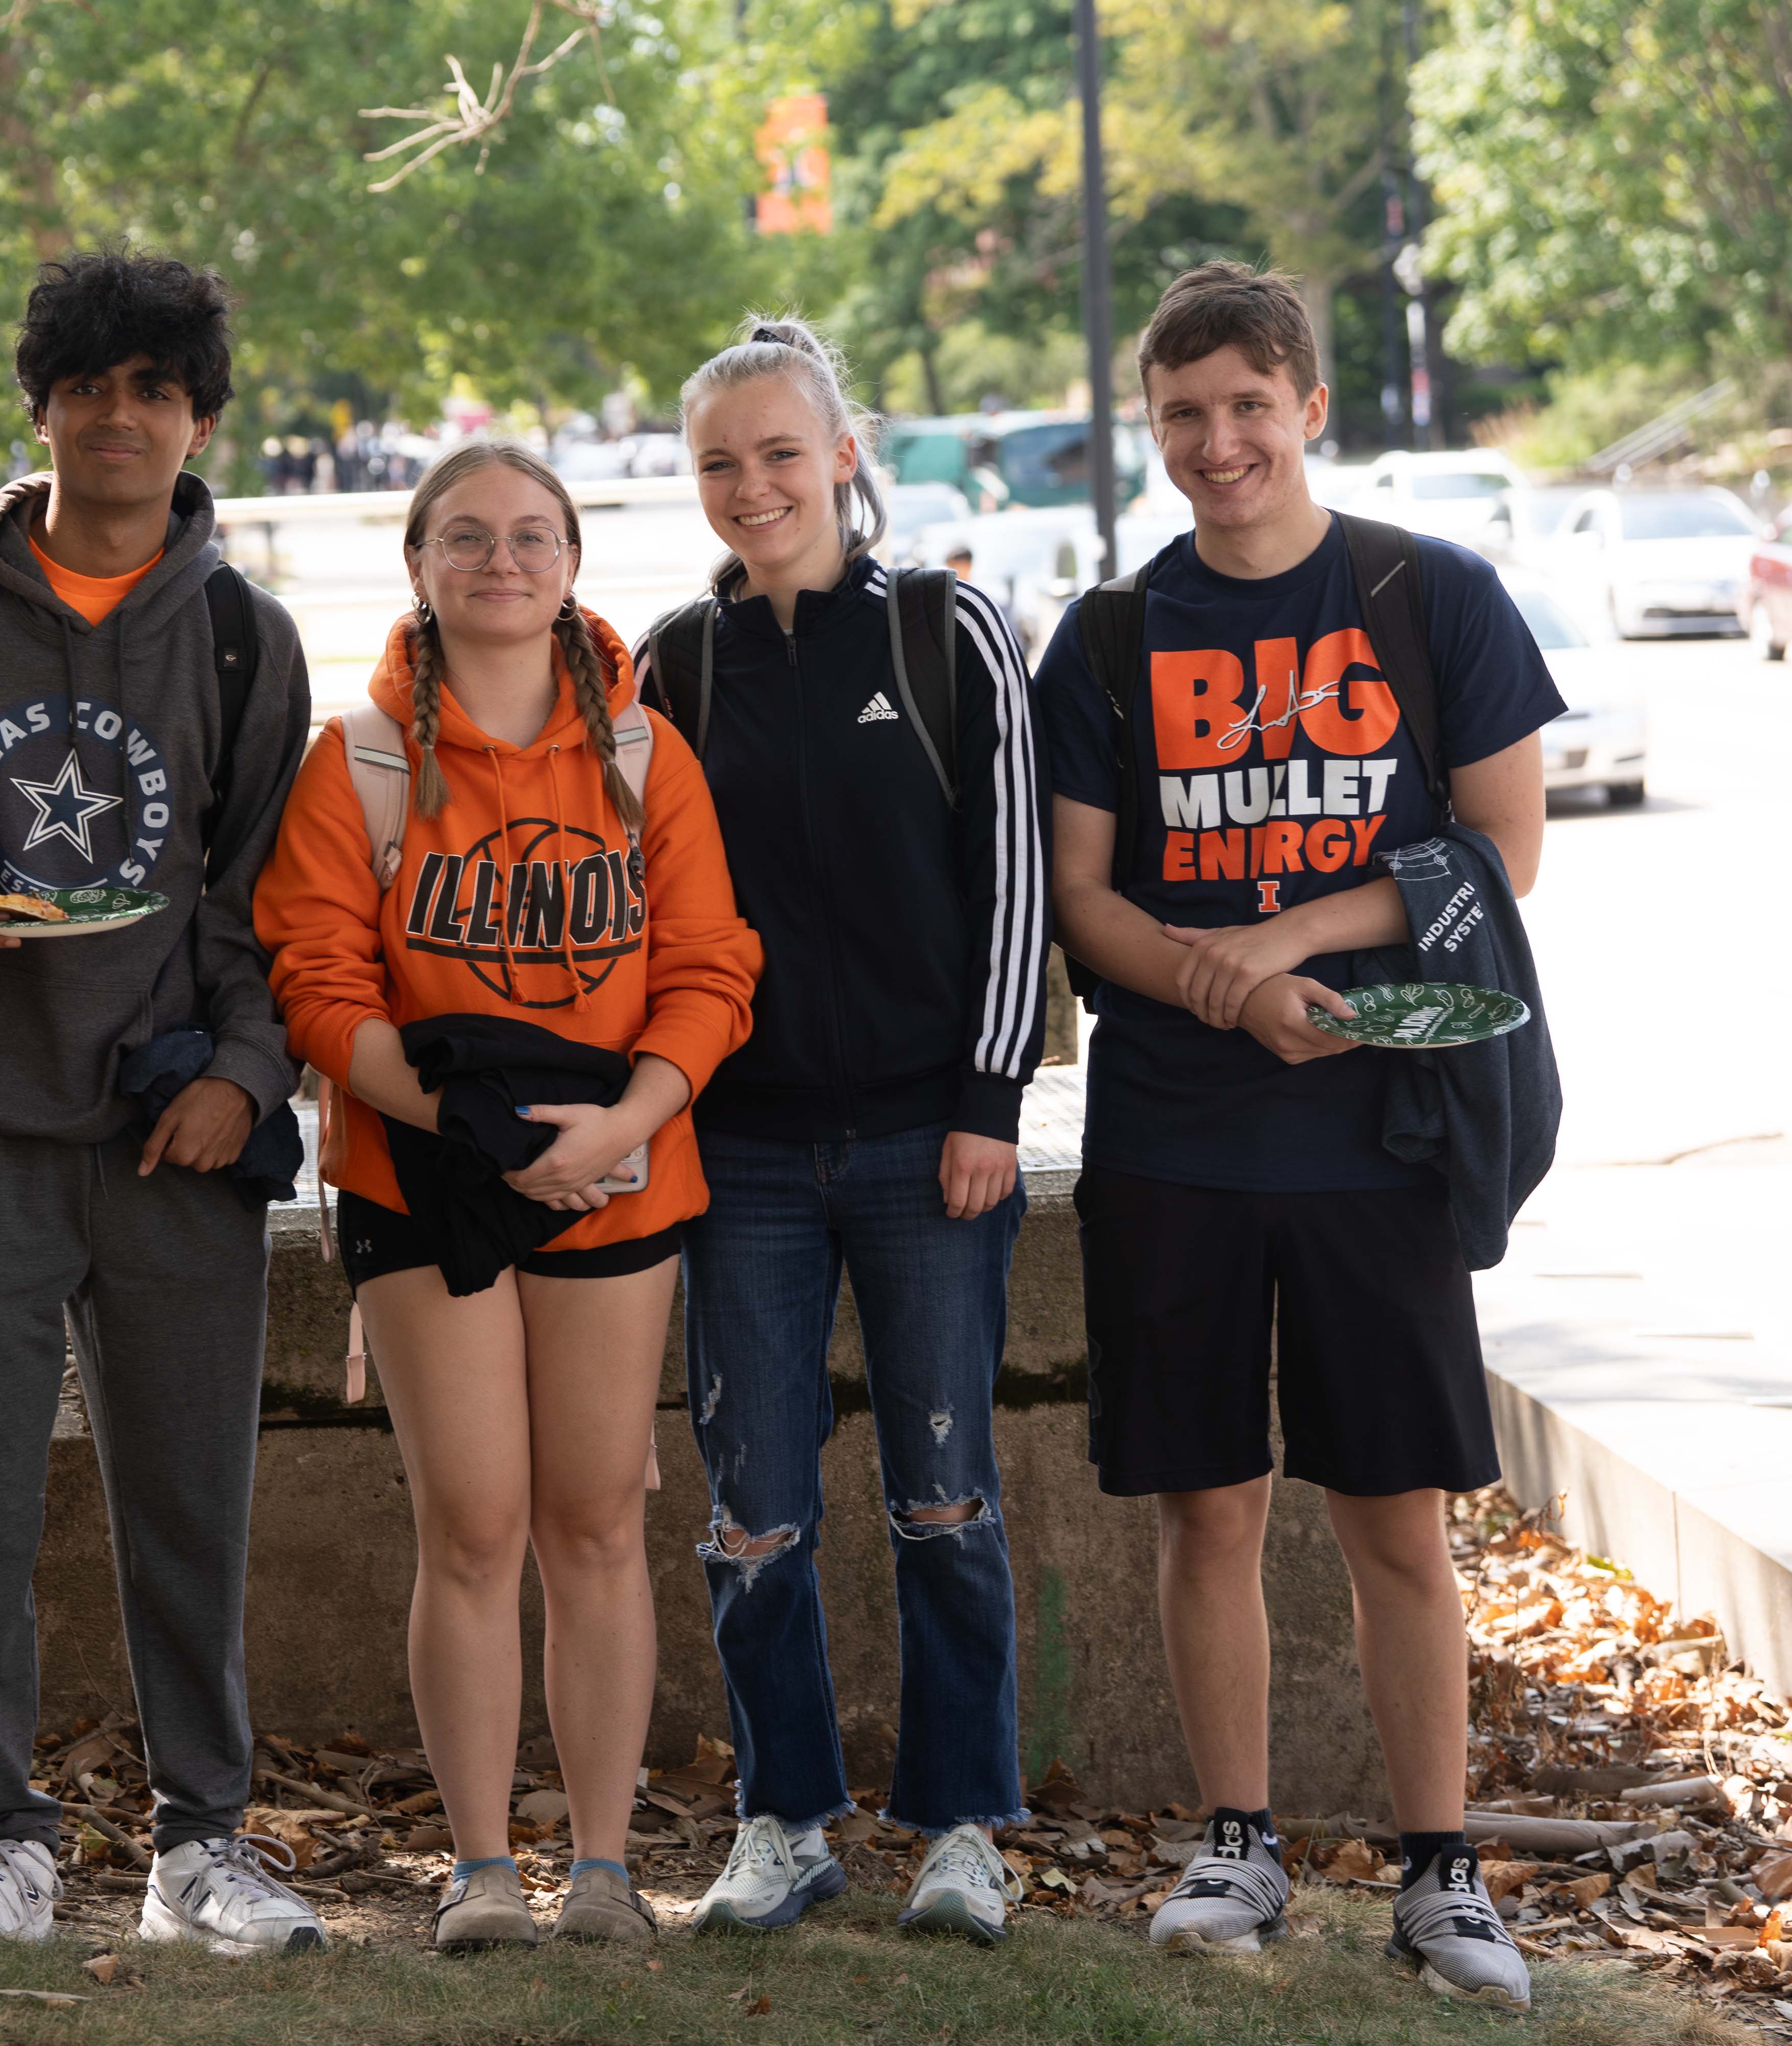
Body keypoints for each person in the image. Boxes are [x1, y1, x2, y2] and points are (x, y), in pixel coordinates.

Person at [1037, 261, 1558, 2011]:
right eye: (1184, 415)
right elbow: (1082, 903)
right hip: (1181, 1134)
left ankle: (1441, 1869)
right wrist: (1224, 992)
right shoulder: (1112, 636)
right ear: (1155, 426)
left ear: (1311, 406)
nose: (1218, 442)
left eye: (1250, 406)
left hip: (1384, 1128)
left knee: (1397, 1517)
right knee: (1208, 1512)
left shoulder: (1432, 594)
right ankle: (1237, 1842)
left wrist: (1293, 940)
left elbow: (1501, 860)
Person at [0, 251, 327, 1953]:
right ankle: (0, 1837)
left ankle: (207, 1840)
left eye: (156, 391)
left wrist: (248, 1076)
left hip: (173, 1133)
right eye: (88, 386)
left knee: (193, 1492)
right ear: (38, 405)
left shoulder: (251, 643)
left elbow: (271, 902)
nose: (120, 419)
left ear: (200, 422)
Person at [255, 441, 760, 1953]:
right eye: (466, 538)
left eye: (532, 536)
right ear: (417, 565)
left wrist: (629, 1113)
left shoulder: (647, 759)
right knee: (472, 1520)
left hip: (618, 1171)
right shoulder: (360, 759)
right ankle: (483, 1869)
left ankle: (601, 1868)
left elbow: (711, 967)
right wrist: (464, 1127)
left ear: (571, 566)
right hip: (427, 1178)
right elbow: (315, 979)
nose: (500, 561)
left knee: (597, 1517)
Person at [634, 320, 1049, 1946]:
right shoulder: (678, 663)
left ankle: (963, 1824)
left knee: (946, 1489)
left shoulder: (950, 632)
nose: (753, 486)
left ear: (845, 455)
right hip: (739, 1157)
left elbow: (1015, 873)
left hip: (927, 1143)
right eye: (720, 463)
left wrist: (989, 1100)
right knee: (753, 1506)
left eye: (780, 453)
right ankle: (782, 1817)